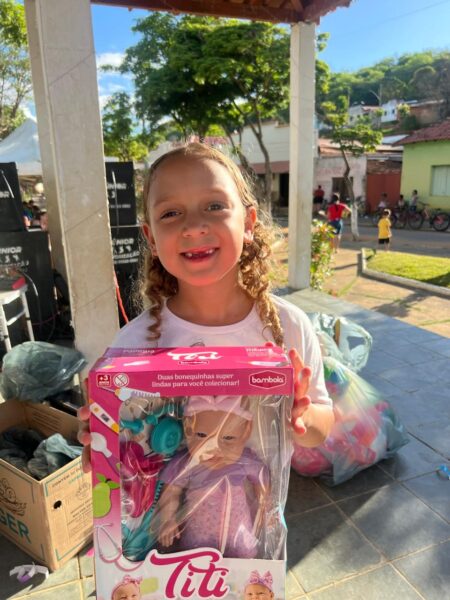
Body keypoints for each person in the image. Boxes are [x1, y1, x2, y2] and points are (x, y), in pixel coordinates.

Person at [78, 142, 334, 472]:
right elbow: (125, 451)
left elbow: (320, 428)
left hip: (256, 503)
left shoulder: (289, 325)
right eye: (170, 213)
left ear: (248, 223)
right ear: (151, 239)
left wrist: (303, 416)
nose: (194, 226)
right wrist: (104, 442)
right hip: (172, 504)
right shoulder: (134, 344)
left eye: (214, 206)